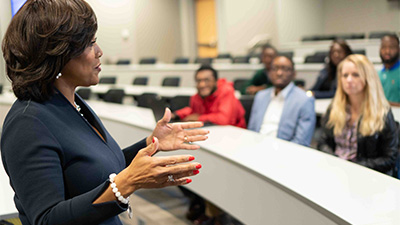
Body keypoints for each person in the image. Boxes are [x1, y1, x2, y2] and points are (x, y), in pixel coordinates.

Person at [0, 1, 209, 225]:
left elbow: (97, 168)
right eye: (90, 44)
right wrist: (126, 184)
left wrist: (151, 143)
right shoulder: (27, 123)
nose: (99, 52)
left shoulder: (70, 103)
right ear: (57, 53)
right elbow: (47, 219)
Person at [317, 54, 398, 175]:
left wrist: (354, 166)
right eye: (345, 75)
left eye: (355, 75)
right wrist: (336, 162)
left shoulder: (382, 112)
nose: (349, 80)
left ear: (367, 78)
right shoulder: (335, 107)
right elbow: (323, 142)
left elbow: (389, 158)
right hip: (336, 171)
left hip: (367, 175)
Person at [248, 55, 316, 147]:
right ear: (269, 72)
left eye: (285, 69)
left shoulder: (304, 100)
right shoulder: (260, 96)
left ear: (294, 74)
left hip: (285, 154)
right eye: (275, 68)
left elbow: (301, 141)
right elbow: (252, 131)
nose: (279, 73)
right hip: (256, 149)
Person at [172, 65, 246, 128]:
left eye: (207, 80)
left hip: (234, 135)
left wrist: (199, 118)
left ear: (216, 81)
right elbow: (193, 111)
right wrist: (177, 115)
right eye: (198, 81)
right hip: (211, 131)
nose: (202, 85)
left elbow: (224, 120)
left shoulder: (226, 91)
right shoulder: (197, 96)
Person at [378, 34, 400, 106]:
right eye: (384, 47)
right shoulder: (377, 74)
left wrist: (385, 104)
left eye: (392, 47)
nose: (387, 51)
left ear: (398, 49)